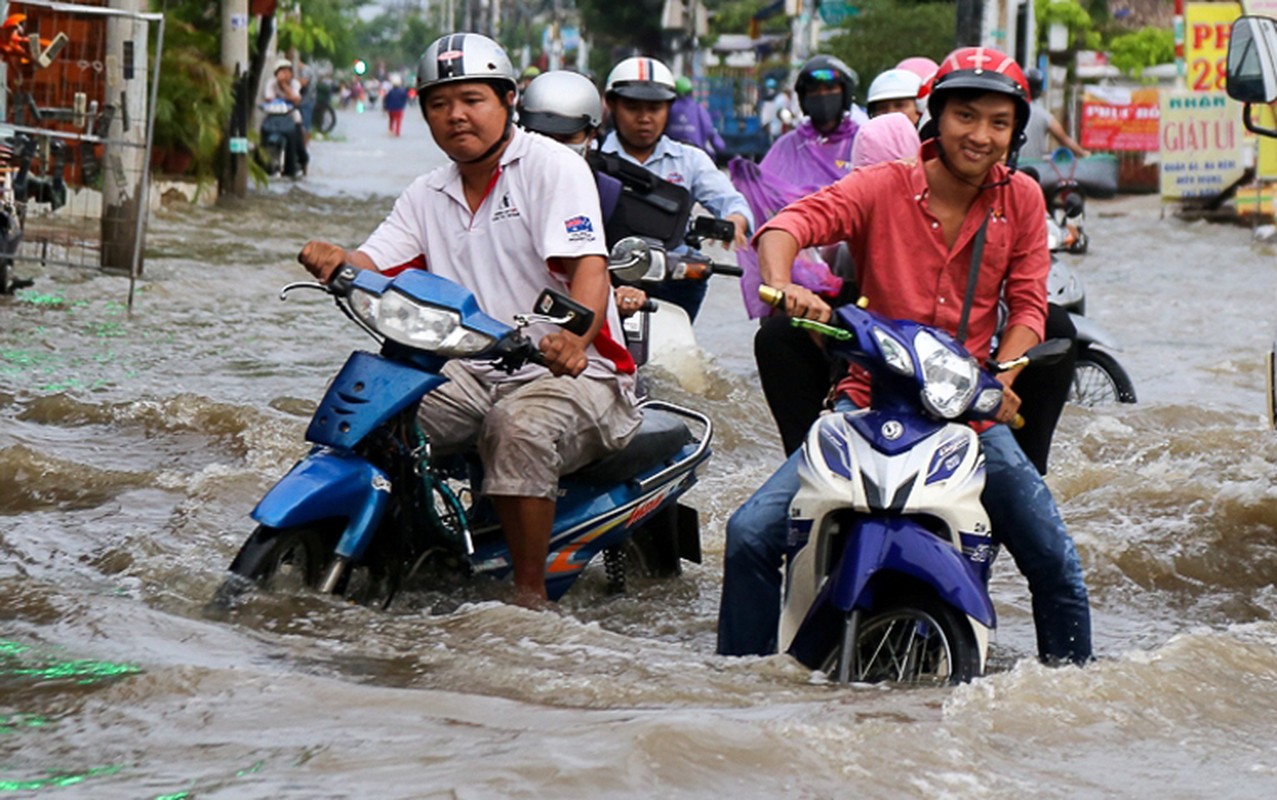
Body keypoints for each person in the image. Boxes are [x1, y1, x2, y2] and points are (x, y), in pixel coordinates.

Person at [717, 47, 1093, 667]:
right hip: (866, 404)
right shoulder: (881, 185)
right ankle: (740, 685)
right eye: (966, 116)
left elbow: (1028, 307)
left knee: (1056, 561)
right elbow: (786, 225)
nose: (981, 136)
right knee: (749, 535)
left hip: (965, 414)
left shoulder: (1022, 199)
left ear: (1016, 132)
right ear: (936, 117)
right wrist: (786, 286)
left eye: (999, 123)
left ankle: (1072, 700)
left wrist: (1005, 371)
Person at [296, 33, 641, 607]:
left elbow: (589, 269)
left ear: (508, 101)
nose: (456, 115)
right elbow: (372, 260)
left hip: (577, 371)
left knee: (518, 427)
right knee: (374, 416)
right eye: (439, 103)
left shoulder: (552, 166)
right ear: (424, 112)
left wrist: (573, 337)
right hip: (473, 364)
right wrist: (335, 259)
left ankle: (528, 598)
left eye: (472, 99)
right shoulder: (426, 193)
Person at [599, 55, 753, 321]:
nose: (644, 118)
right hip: (603, 273)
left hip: (672, 278)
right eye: (633, 107)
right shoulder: (590, 157)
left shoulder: (690, 159)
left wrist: (734, 221)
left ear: (669, 108)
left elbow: (731, 201)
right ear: (611, 104)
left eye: (655, 108)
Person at [516, 69, 649, 316]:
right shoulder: (496, 182)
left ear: (591, 135)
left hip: (573, 322)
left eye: (566, 137)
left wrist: (628, 291)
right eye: (541, 136)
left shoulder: (607, 192)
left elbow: (618, 267)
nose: (552, 149)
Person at [758, 55, 861, 191]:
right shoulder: (789, 145)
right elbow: (761, 187)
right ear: (804, 99)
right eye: (814, 90)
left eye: (830, 89)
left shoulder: (861, 141)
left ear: (845, 94)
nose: (822, 95)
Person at [1021, 67, 1090, 161]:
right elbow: (1064, 140)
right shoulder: (1044, 115)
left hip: (1010, 167)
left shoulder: (1012, 110)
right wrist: (1083, 153)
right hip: (1035, 168)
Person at [262, 58, 309, 178]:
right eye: (282, 71)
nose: (285, 74)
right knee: (264, 129)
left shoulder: (294, 84)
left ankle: (300, 161)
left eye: (288, 71)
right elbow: (268, 98)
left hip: (291, 115)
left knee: (297, 133)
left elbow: (296, 99)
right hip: (274, 116)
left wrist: (284, 86)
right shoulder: (271, 83)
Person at [666, 76, 727, 159]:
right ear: (691, 92)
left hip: (671, 154)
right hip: (694, 154)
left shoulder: (668, 109)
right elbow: (709, 130)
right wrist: (720, 145)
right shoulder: (698, 109)